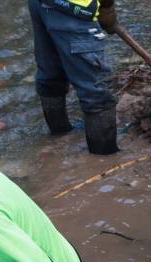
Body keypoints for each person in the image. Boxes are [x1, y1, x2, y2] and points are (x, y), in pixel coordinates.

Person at [29, 0, 119, 154]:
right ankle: (105, 159)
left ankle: (58, 139)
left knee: (51, 73)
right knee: (97, 90)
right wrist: (106, 8)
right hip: (74, 8)